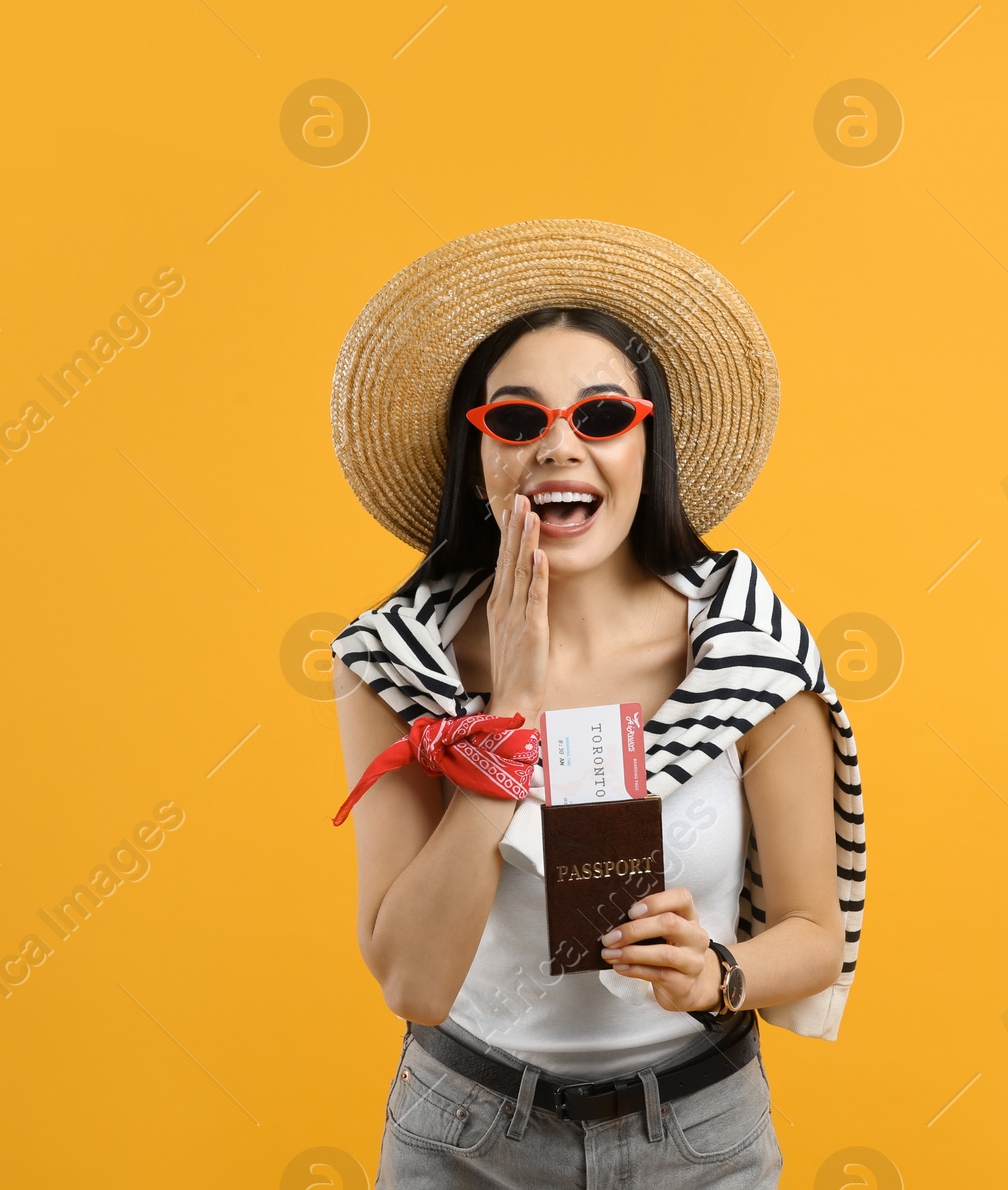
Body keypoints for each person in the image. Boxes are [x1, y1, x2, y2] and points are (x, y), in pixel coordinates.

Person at [329, 219, 865, 1187]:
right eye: (519, 421)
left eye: (603, 416)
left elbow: (814, 933)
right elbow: (412, 981)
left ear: (644, 444)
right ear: (480, 455)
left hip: (699, 1136)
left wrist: (719, 974)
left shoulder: (746, 649)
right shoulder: (397, 660)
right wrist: (510, 722)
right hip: (463, 1134)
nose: (559, 447)